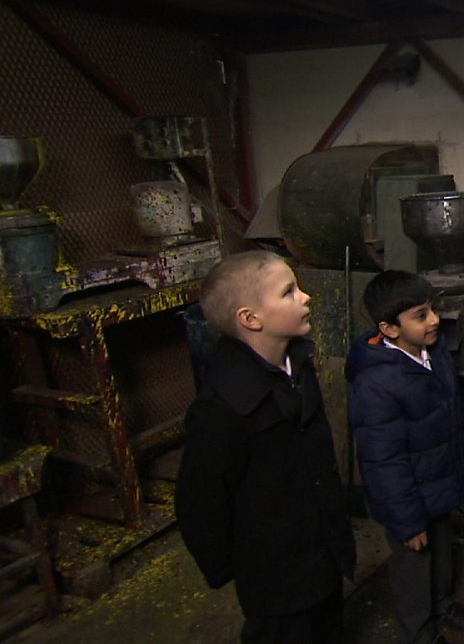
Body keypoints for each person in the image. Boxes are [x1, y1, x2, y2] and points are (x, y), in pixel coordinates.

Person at [175, 250, 356, 643]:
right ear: (250, 318)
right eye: (288, 292)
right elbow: (199, 503)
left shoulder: (299, 365)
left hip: (323, 554)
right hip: (275, 580)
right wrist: (232, 567)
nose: (305, 297)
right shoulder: (220, 409)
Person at [345, 270, 464, 644]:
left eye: (433, 309)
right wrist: (406, 522)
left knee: (442, 551)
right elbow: (382, 462)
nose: (434, 320)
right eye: (421, 315)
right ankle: (419, 631)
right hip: (408, 498)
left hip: (439, 480)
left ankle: (442, 605)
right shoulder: (376, 383)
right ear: (389, 329)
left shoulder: (433, 352)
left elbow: (456, 411)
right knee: (413, 568)